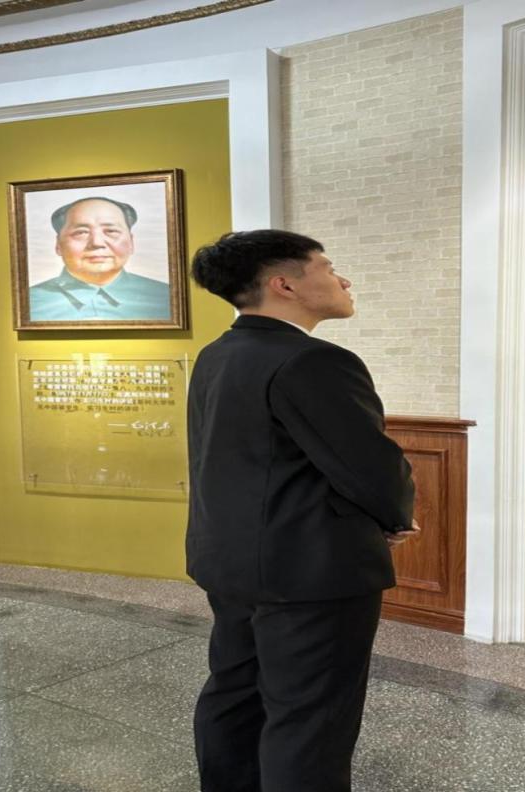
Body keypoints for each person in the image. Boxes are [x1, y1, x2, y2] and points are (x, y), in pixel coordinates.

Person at [186, 229, 419, 792]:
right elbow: (366, 464)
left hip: (230, 560)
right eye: (328, 268)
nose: (344, 280)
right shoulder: (315, 361)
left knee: (235, 696)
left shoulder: (218, 354)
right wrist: (395, 517)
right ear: (284, 284)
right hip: (311, 571)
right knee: (311, 719)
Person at [28, 196, 171, 321]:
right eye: (81, 232)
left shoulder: (166, 297)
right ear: (58, 245)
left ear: (131, 242)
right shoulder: (30, 303)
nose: (97, 243)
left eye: (111, 231)